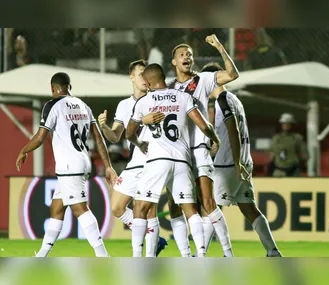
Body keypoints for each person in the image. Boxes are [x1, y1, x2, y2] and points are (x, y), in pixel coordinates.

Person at [15, 72, 117, 257]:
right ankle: (42, 255)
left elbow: (40, 137)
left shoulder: (52, 105)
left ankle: (103, 256)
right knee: (57, 208)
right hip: (82, 162)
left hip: (69, 166)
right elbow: (98, 137)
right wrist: (108, 165)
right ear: (69, 87)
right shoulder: (83, 105)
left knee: (80, 209)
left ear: (53, 88)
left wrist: (24, 151)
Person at [126, 63, 221, 258]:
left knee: (140, 208)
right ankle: (197, 255)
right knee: (190, 210)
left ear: (148, 82)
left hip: (158, 160)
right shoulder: (184, 97)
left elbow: (128, 133)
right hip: (182, 161)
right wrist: (216, 139)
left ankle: (138, 257)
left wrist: (139, 143)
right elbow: (204, 125)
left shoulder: (144, 101)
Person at [164, 34, 239, 257]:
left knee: (208, 202)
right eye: (181, 54)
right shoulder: (168, 89)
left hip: (198, 150)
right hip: (177, 154)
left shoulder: (203, 80)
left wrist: (219, 47)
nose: (186, 56)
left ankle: (228, 254)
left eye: (189, 54)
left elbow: (233, 74)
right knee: (175, 205)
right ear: (174, 62)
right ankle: (190, 256)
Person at [202, 62, 282, 257]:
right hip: (243, 162)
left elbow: (233, 130)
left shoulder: (222, 100)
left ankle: (200, 254)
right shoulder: (234, 99)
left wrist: (236, 162)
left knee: (211, 208)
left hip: (229, 164)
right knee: (249, 209)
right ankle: (273, 251)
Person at [97, 59, 167, 257]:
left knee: (148, 210)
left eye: (147, 75)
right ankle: (154, 238)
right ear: (132, 77)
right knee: (117, 207)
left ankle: (149, 257)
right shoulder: (124, 105)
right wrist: (104, 127)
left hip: (153, 161)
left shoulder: (156, 99)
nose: (144, 79)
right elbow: (115, 136)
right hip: (134, 162)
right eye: (140, 74)